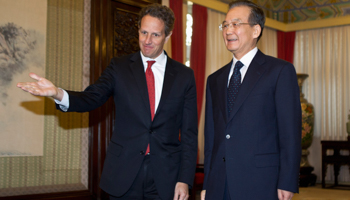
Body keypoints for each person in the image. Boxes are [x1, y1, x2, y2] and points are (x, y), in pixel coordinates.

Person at [17, 4, 198, 200]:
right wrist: (58, 93)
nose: (147, 41)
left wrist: (184, 179)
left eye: (155, 35)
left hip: (166, 178)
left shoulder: (184, 76)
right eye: (143, 32)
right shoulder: (119, 67)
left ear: (167, 35)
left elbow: (189, 133)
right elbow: (91, 97)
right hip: (124, 174)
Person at [201, 1, 301, 200]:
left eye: (236, 24)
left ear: (256, 30)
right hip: (219, 183)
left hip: (261, 181)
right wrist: (207, 183)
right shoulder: (215, 79)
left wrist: (287, 181)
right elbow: (211, 138)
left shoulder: (279, 71)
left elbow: (290, 132)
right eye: (225, 25)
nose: (228, 30)